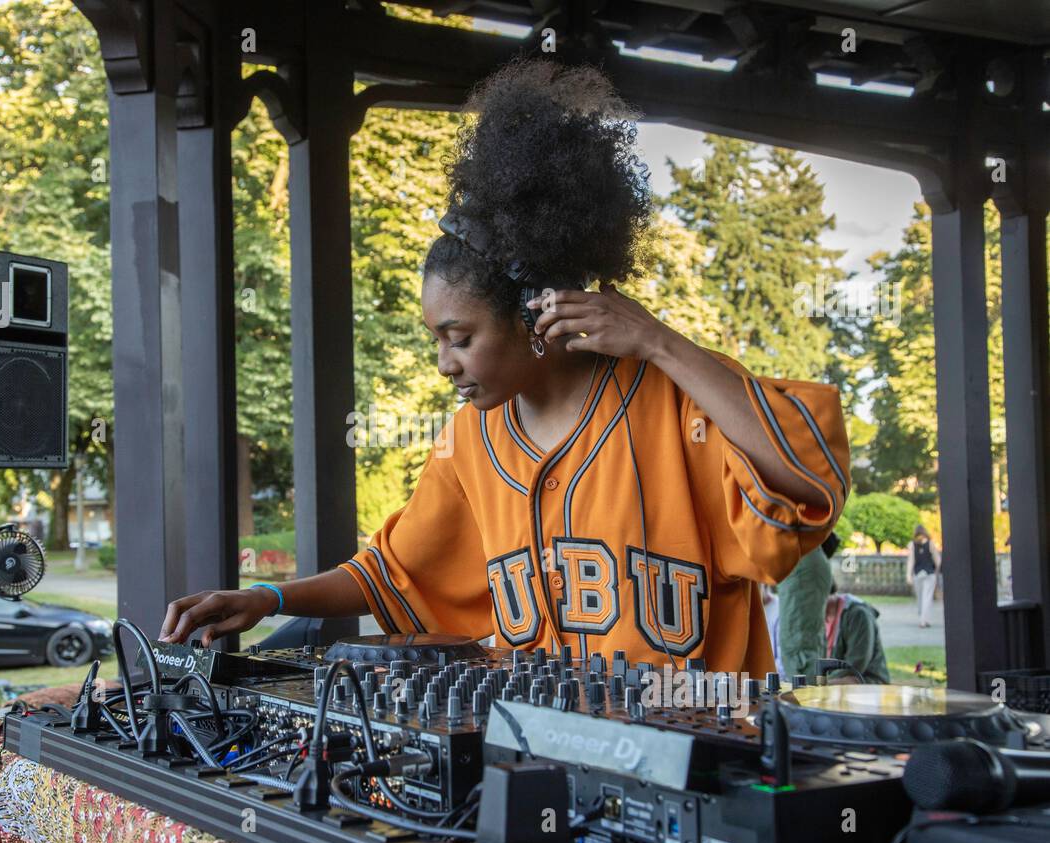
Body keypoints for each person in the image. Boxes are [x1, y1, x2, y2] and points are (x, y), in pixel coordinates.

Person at [158, 58, 850, 677]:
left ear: (533, 314)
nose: (443, 364)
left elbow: (810, 485)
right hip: (535, 765)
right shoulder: (469, 442)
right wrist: (266, 597)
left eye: (459, 338)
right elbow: (392, 573)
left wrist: (662, 342)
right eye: (436, 339)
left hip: (694, 768)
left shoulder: (676, 395)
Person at [777, 532, 838, 682]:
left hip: (802, 555)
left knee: (800, 651)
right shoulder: (813, 559)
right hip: (807, 554)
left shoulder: (803, 560)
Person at [823, 583, 890, 684]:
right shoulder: (818, 617)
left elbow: (855, 665)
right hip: (836, 679)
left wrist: (821, 682)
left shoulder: (858, 615)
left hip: (868, 681)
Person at [905, 524, 941, 627]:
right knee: (927, 598)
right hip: (929, 574)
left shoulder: (912, 544)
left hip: (918, 574)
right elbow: (938, 560)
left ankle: (923, 618)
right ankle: (924, 620)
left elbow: (911, 561)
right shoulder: (930, 544)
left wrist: (908, 575)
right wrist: (936, 571)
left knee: (920, 598)